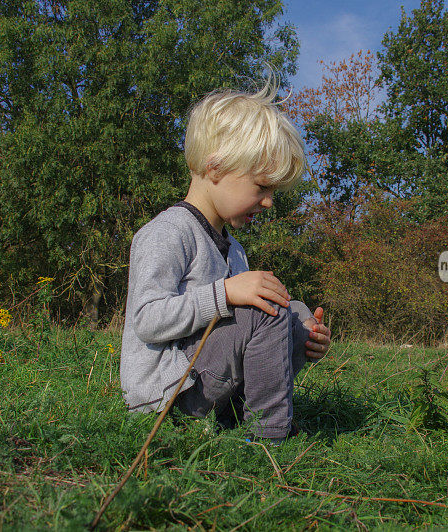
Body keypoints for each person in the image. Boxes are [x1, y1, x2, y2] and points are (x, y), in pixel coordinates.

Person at [119, 76, 331, 443]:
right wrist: (225, 293)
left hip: (209, 386)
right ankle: (269, 435)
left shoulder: (233, 248)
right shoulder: (168, 232)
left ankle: (246, 415)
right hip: (168, 395)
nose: (268, 201)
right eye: (261, 186)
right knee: (267, 310)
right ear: (215, 168)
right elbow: (146, 320)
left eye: (273, 191)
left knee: (290, 308)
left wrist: (307, 337)